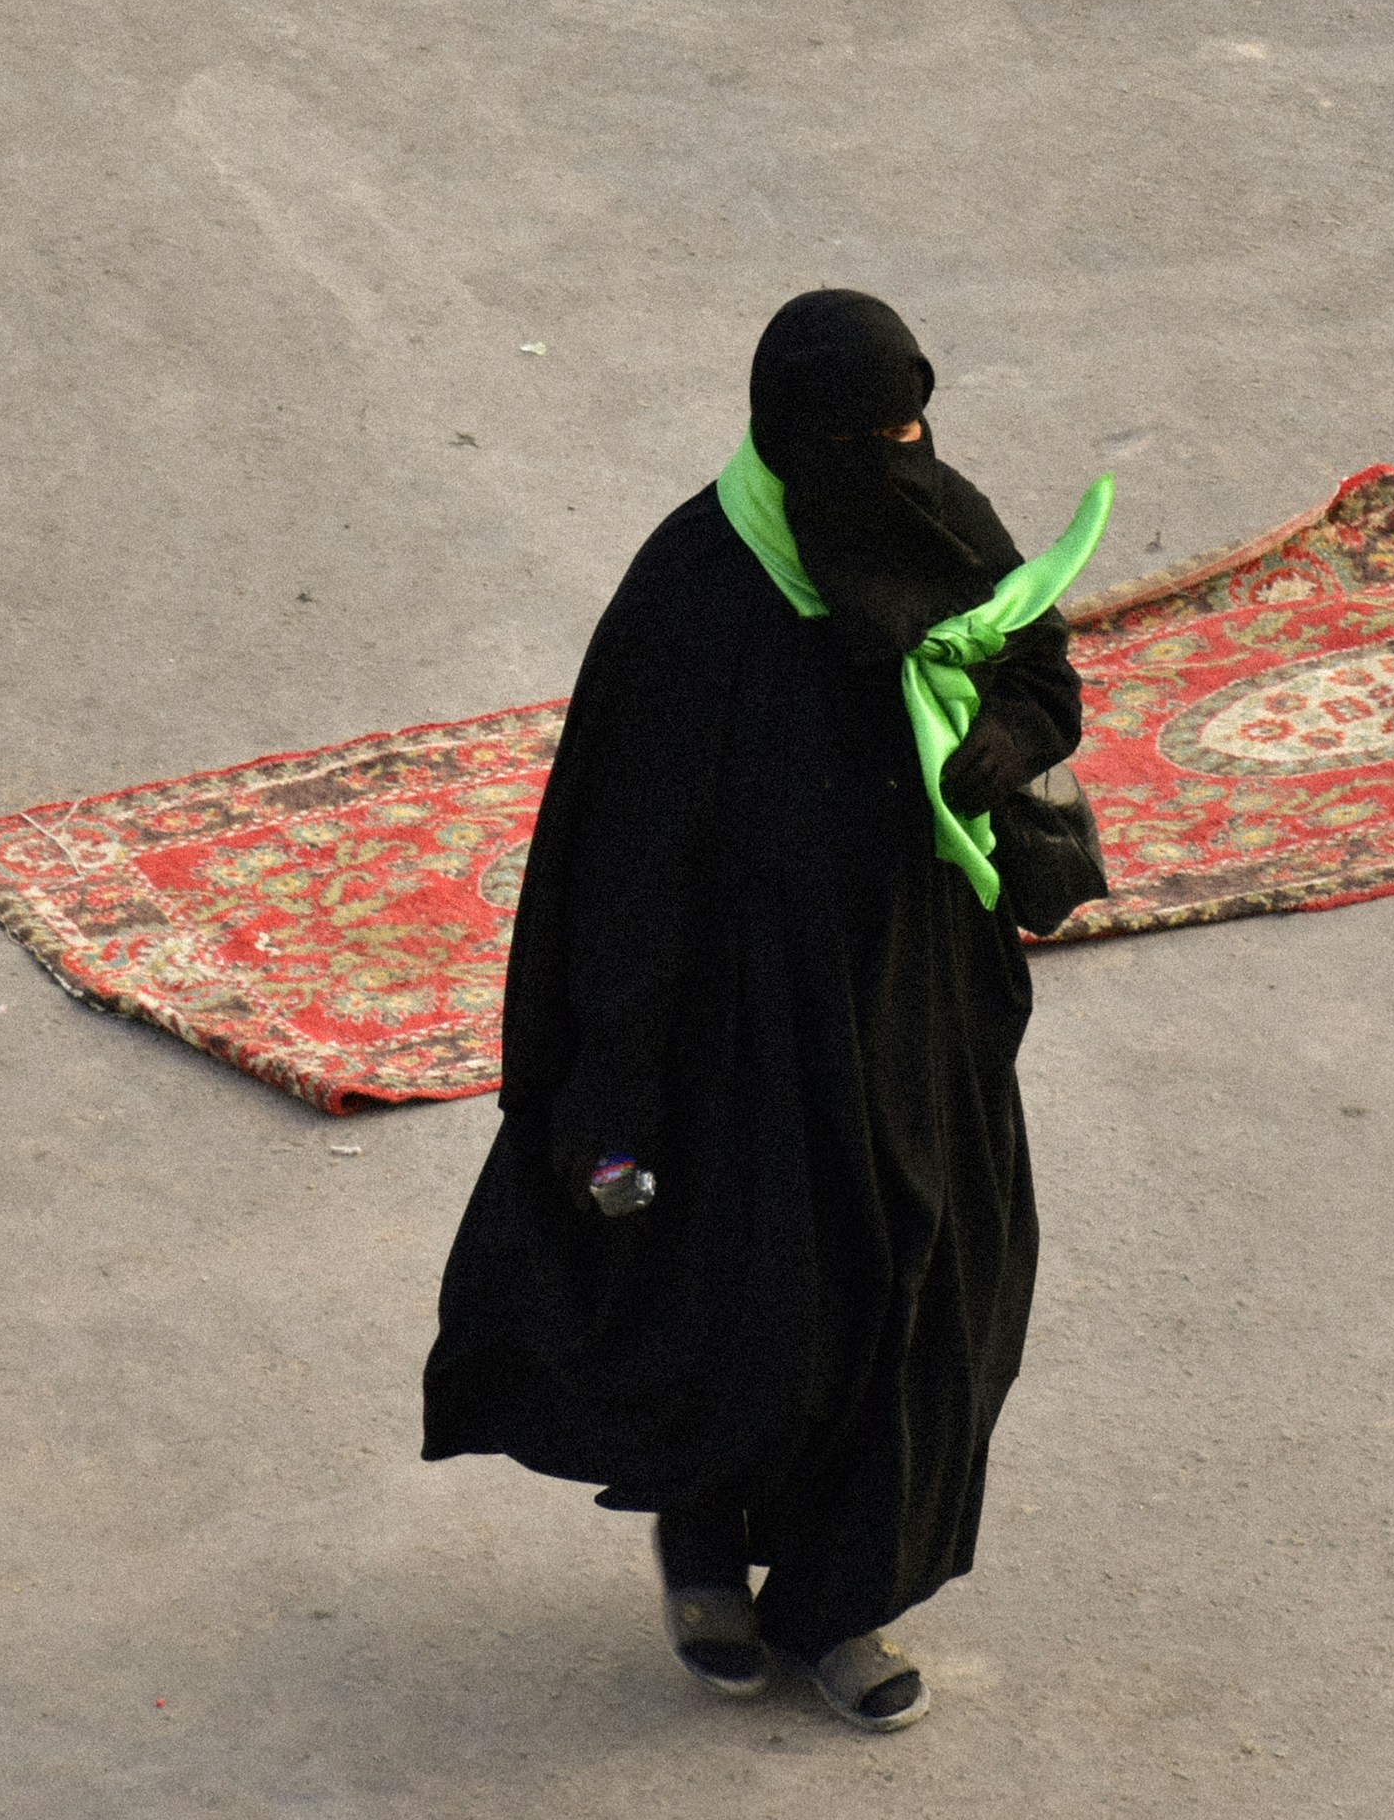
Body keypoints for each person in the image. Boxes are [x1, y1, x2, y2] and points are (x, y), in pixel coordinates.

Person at [423, 291, 1108, 1731]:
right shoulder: (698, 591)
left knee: (926, 1286)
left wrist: (1010, 737)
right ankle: (706, 1536)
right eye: (866, 440)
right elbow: (626, 861)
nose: (899, 461)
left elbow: (1039, 666)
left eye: (910, 429)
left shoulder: (935, 514)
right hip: (742, 1023)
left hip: (916, 998)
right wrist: (611, 1079)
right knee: (764, 1301)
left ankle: (842, 1598)